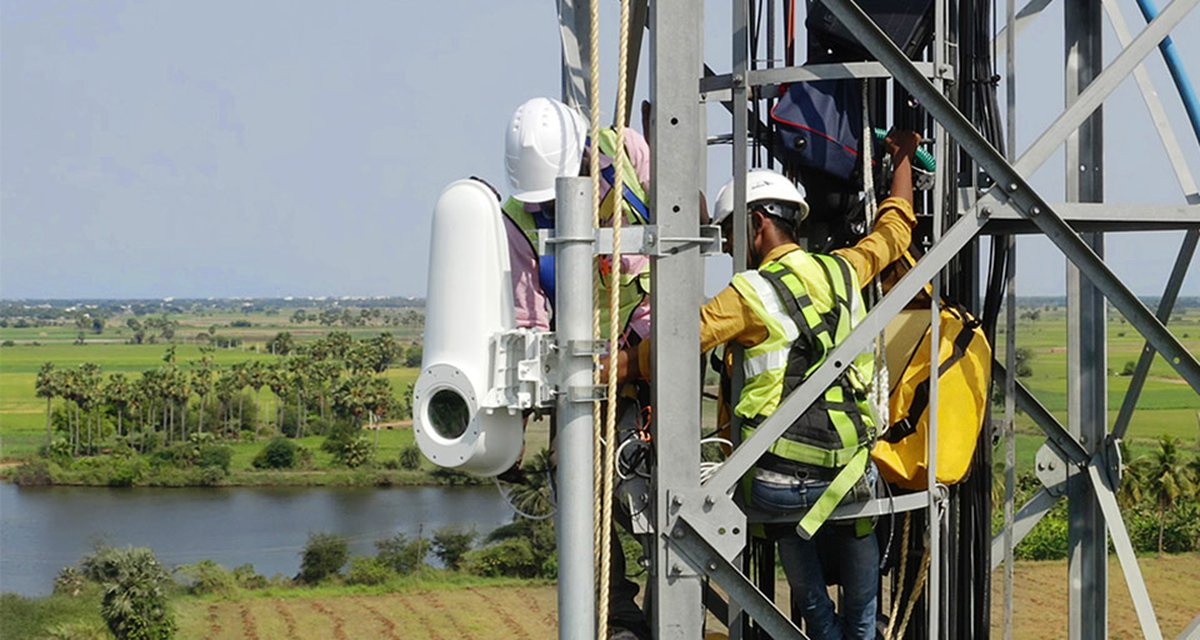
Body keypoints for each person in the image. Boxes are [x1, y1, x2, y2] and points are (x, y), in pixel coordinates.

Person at [618, 131, 921, 639]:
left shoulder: (747, 294)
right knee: (861, 600)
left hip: (779, 488)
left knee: (803, 570)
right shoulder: (845, 270)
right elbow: (896, 230)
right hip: (849, 476)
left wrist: (620, 366)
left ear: (757, 225)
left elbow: (672, 347)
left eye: (734, 234)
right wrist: (904, 158)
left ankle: (824, 630)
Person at [502, 96, 656, 640]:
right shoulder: (519, 216)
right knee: (583, 502)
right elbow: (529, 319)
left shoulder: (628, 152)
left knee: (651, 497)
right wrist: (513, 425)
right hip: (576, 375)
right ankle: (619, 620)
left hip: (646, 358)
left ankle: (670, 608)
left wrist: (635, 357)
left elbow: (676, 235)